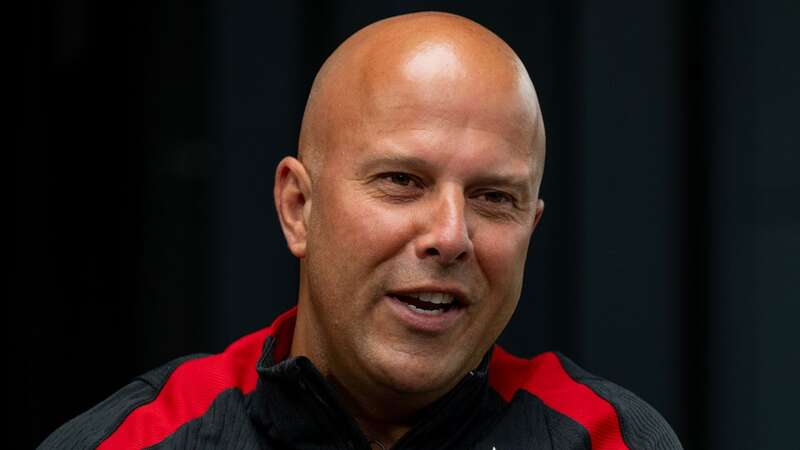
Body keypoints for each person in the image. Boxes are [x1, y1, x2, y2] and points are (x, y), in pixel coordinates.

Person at [40, 12, 682, 450]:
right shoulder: (139, 440)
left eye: (494, 197)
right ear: (298, 207)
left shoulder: (611, 439)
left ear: (531, 230)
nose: (452, 235)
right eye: (403, 180)